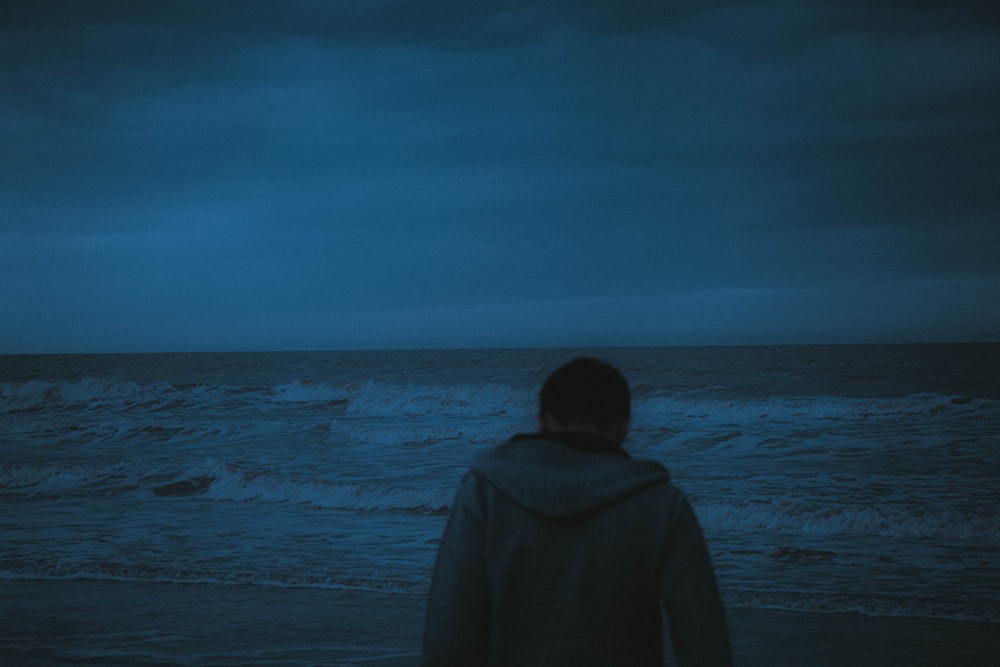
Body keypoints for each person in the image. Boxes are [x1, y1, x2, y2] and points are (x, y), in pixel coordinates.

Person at [422, 357, 732, 666]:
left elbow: (448, 643)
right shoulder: (662, 505)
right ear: (624, 426)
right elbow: (705, 645)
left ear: (541, 421)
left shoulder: (484, 493)